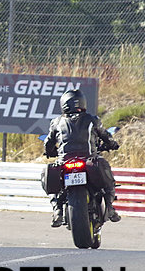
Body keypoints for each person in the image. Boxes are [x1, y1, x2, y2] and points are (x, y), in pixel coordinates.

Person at [43, 89, 121, 227]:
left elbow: (48, 142)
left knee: (49, 177)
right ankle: (109, 208)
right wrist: (112, 144)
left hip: (64, 162)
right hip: (88, 160)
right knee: (108, 179)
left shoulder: (56, 122)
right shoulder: (92, 120)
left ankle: (57, 211)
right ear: (82, 102)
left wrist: (49, 151)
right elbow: (105, 136)